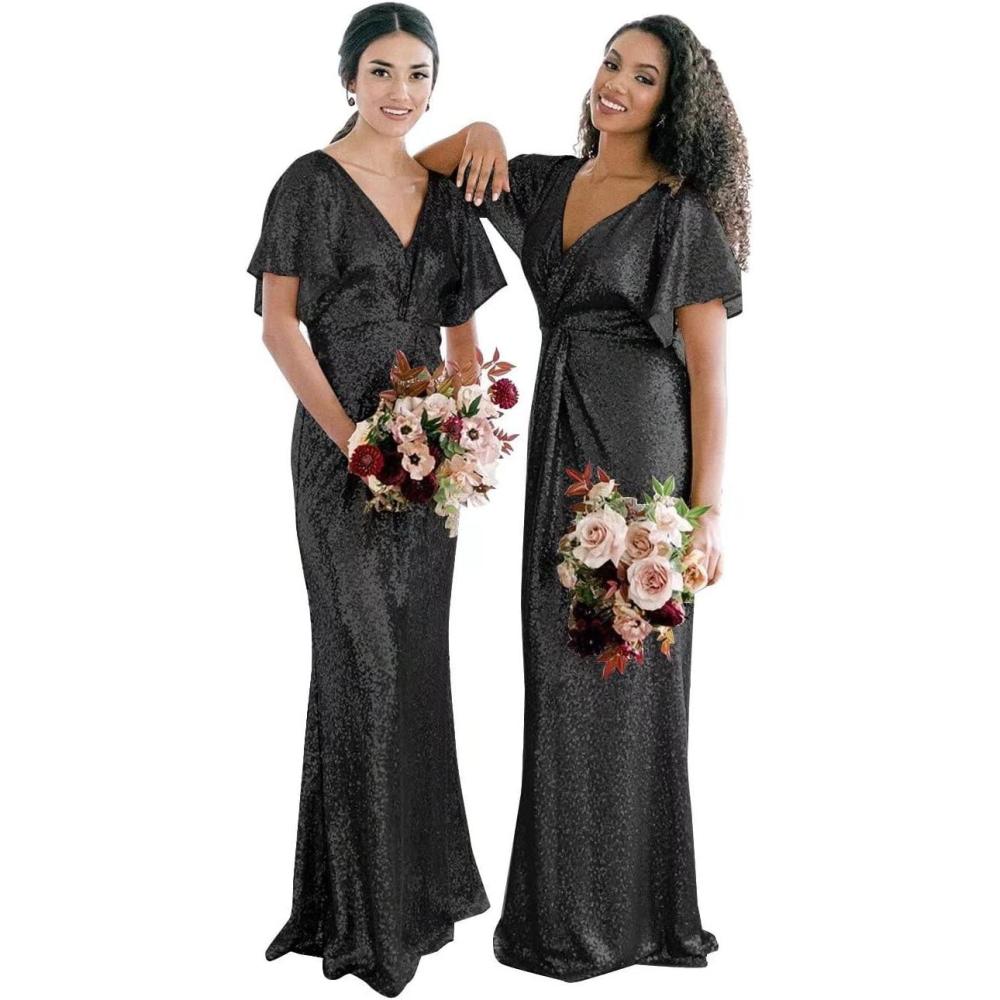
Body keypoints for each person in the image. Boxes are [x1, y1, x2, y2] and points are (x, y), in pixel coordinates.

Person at [416, 14, 749, 981]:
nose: (616, 85)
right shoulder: (546, 181)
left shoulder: (681, 216)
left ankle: (635, 917)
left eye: (643, 77)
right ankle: (560, 914)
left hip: (644, 458)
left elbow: (710, 376)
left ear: (671, 104)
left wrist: (707, 516)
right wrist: (477, 130)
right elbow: (425, 170)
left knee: (627, 675)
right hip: (561, 446)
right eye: (612, 64)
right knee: (556, 672)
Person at [246, 4, 507, 995]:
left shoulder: (445, 197)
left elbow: (464, 338)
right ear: (349, 77)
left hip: (429, 466)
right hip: (338, 459)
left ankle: (397, 895)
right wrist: (351, 440)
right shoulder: (306, 185)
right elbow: (279, 328)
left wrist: (464, 431)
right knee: (364, 668)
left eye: (420, 74)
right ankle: (365, 925)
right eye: (383, 71)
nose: (402, 92)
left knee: (412, 668)